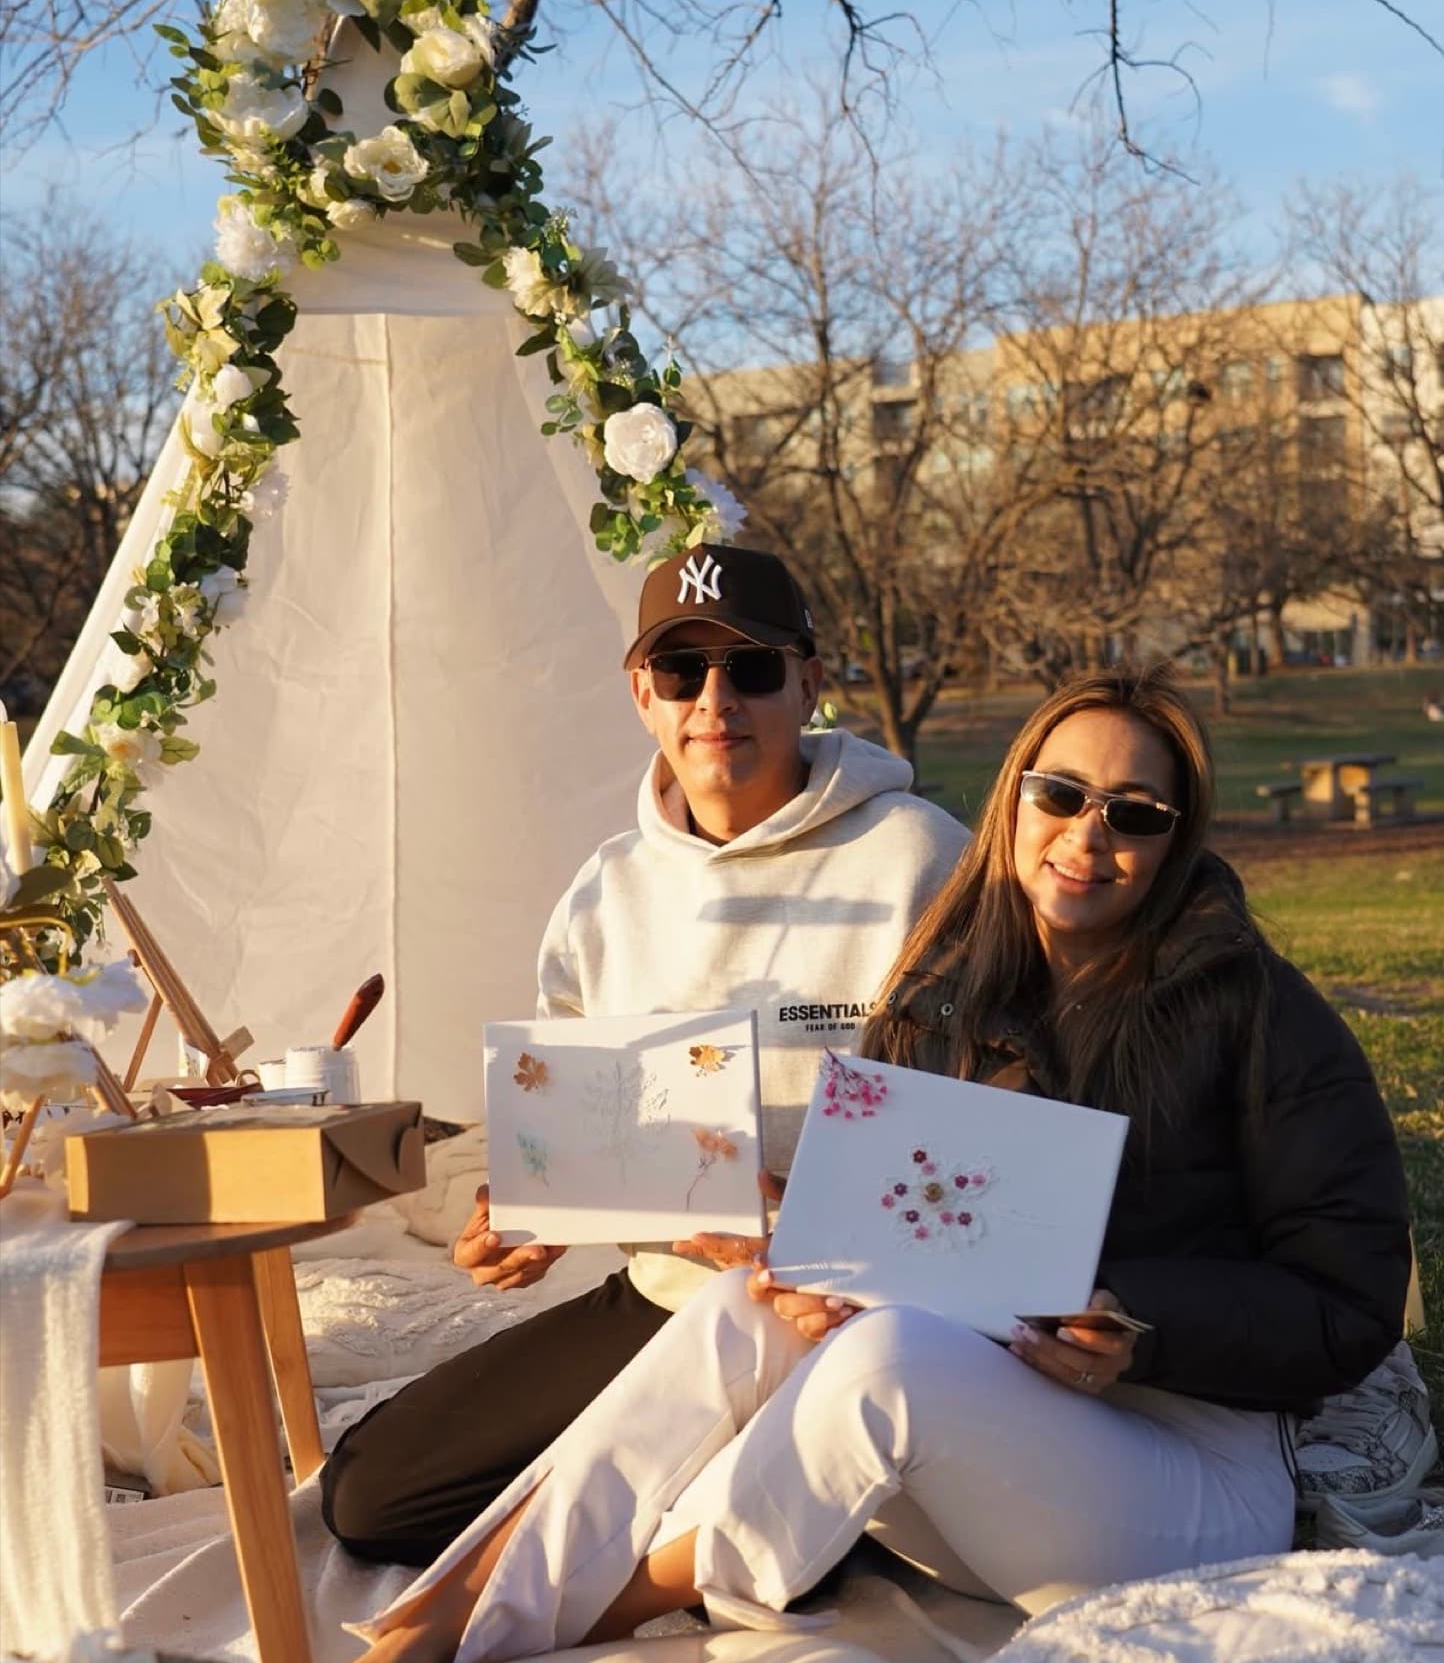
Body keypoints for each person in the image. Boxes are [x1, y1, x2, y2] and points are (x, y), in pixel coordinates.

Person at [324, 665, 1411, 1663]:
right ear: (1013, 800)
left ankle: (501, 1639)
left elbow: (1348, 1297)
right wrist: (815, 1271)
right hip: (981, 1465)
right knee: (743, 1314)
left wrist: (1142, 1319)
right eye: (1060, 795)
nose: (1086, 836)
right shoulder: (945, 987)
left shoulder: (1256, 1014)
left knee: (883, 1361)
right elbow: (912, 1255)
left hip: (1180, 1477)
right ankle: (448, 1608)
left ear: (1174, 843)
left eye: (1133, 815)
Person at [320, 543, 968, 1563]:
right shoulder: (603, 894)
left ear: (806, 679)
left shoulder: (922, 861)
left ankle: (738, 1518)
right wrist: (528, 1220)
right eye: (680, 672)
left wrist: (803, 1219)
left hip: (852, 1316)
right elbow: (570, 1133)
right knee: (367, 1497)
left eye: (750, 667)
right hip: (665, 1296)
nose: (716, 699)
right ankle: (732, 1520)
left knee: (868, 1493)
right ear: (641, 696)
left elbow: (984, 1138)